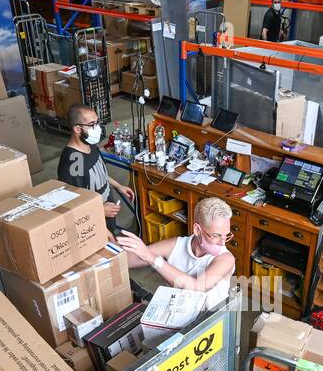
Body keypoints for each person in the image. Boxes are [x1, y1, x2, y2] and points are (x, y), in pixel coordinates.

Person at [116, 196, 236, 294]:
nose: (222, 242)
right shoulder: (176, 245)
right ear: (197, 230)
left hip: (212, 319)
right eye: (216, 235)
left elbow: (197, 287)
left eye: (227, 235)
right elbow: (128, 260)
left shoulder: (226, 259)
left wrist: (153, 258)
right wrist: (111, 244)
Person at [57, 104, 134, 234]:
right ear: (77, 129)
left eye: (97, 122)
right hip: (93, 226)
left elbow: (99, 173)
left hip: (107, 217)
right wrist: (100, 210)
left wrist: (118, 186)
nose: (97, 128)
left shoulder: (90, 145)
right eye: (92, 124)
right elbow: (72, 205)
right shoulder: (75, 161)